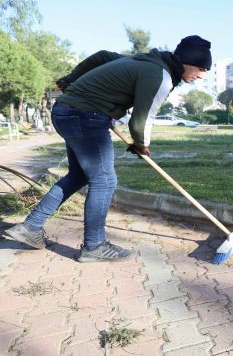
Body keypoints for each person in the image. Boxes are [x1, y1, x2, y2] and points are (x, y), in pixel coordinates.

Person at [3, 35, 212, 262]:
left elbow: (102, 56)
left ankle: (31, 227)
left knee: (78, 176)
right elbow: (142, 119)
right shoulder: (159, 76)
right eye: (201, 68)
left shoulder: (142, 61)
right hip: (84, 116)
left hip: (67, 111)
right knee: (104, 180)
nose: (201, 75)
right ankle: (94, 246)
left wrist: (70, 79)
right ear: (186, 61)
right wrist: (142, 145)